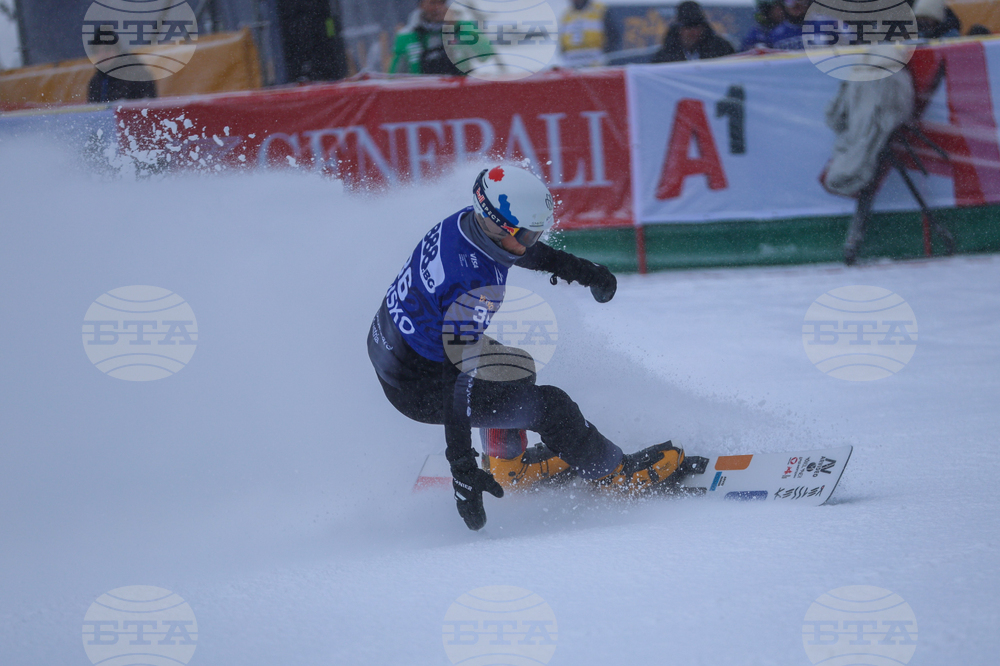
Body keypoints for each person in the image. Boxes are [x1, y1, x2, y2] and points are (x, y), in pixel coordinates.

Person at [368, 165, 687, 530]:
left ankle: (507, 467)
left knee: (517, 368)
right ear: (501, 228)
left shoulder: (469, 225)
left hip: (397, 349)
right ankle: (616, 476)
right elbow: (455, 383)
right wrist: (461, 467)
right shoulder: (473, 285)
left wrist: (585, 271)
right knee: (552, 408)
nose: (534, 240)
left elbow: (521, 252)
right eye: (530, 233)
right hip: (418, 386)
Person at [389, 0, 463, 75]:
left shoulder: (462, 30)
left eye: (442, 3)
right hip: (420, 85)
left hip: (455, 85)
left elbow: (472, 62)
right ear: (421, 5)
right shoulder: (406, 37)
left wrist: (455, 28)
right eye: (432, 3)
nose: (437, 8)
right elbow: (396, 76)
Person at [650, 1, 736, 63]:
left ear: (704, 27)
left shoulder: (721, 50)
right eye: (688, 26)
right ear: (678, 29)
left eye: (696, 25)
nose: (692, 32)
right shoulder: (665, 55)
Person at [559, 0, 617, 67]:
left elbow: (613, 36)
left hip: (596, 62)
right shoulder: (566, 15)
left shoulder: (600, 10)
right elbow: (561, 41)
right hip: (571, 63)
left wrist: (605, 56)